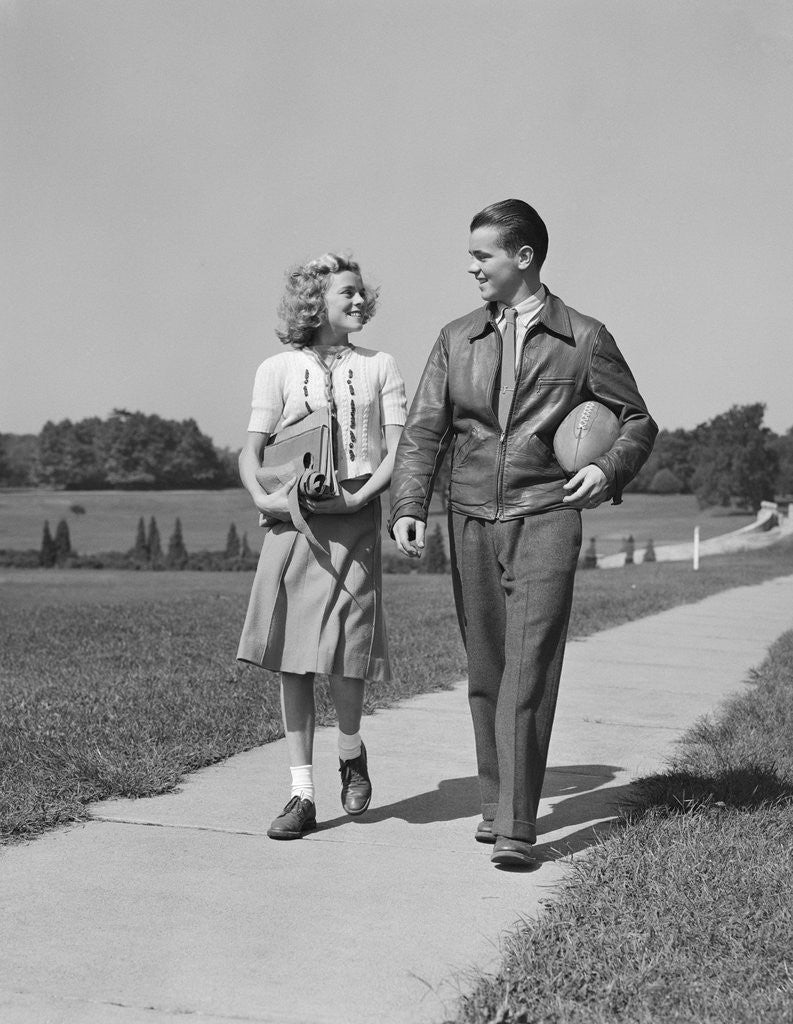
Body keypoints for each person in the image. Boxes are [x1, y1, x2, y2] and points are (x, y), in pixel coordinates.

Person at [389, 200, 657, 867]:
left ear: (523, 257)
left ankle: (515, 824)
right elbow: (424, 429)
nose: (471, 267)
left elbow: (637, 421)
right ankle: (494, 803)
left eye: (482, 255)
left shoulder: (584, 337)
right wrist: (409, 503)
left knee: (529, 667)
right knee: (486, 668)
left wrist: (606, 468)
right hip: (470, 515)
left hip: (546, 513)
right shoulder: (455, 338)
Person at [237, 252, 407, 840]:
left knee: (345, 647)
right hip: (294, 521)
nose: (360, 301)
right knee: (294, 655)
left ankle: (351, 751)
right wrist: (263, 496)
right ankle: (302, 794)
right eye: (346, 293)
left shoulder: (381, 365)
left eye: (362, 292)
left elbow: (398, 449)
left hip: (355, 516)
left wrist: (361, 499)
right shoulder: (276, 369)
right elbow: (251, 452)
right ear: (315, 303)